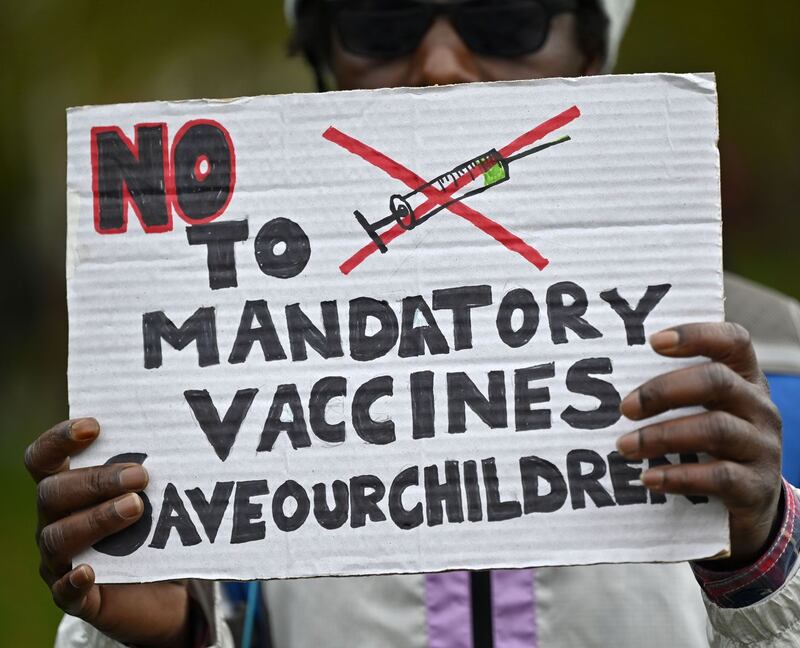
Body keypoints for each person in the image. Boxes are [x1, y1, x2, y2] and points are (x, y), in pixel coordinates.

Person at [27, 1, 800, 647]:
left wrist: (761, 559)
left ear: (592, 55)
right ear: (325, 62)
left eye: (507, 20)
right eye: (381, 24)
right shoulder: (206, 373)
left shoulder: (777, 375)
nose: (439, 66)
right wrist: (173, 635)